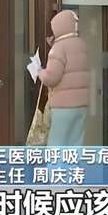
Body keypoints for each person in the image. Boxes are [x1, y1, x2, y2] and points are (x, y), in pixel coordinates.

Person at [38, 10, 89, 146]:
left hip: (63, 106)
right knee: (75, 145)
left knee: (57, 145)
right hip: (82, 105)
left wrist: (39, 71)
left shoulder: (58, 48)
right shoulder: (81, 44)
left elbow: (52, 78)